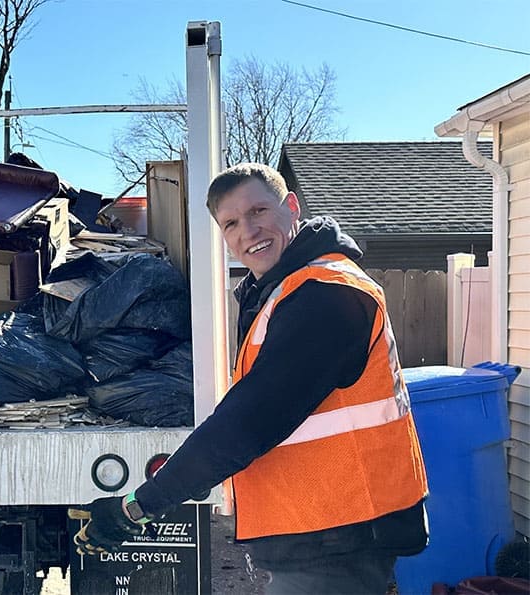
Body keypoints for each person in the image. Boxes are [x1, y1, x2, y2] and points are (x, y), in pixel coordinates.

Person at [72, 163, 429, 594]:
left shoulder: (326, 295)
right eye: (232, 223)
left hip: (338, 534)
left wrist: (138, 506)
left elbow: (248, 422)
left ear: (291, 207)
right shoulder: (283, 292)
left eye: (259, 210)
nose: (249, 230)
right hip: (323, 528)